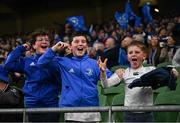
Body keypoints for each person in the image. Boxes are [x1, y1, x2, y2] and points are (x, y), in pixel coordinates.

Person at [37, 32, 113, 122]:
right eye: (76, 41)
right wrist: (54, 49)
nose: (80, 43)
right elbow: (41, 63)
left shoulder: (95, 63)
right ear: (70, 46)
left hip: (91, 112)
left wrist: (109, 73)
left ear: (87, 46)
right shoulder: (62, 62)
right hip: (71, 113)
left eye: (83, 41)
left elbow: (109, 80)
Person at [100, 41, 179, 122]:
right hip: (129, 115)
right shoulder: (123, 72)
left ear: (144, 56)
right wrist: (103, 72)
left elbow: (168, 74)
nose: (133, 54)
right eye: (130, 52)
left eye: (137, 52)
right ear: (127, 57)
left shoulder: (151, 70)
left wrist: (173, 71)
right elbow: (106, 85)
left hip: (147, 115)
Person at [4, 28, 61, 122]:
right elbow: (8, 64)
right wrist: (21, 48)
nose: (44, 42)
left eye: (47, 40)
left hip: (51, 105)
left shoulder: (56, 60)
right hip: (32, 105)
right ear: (34, 45)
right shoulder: (27, 61)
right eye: (40, 40)